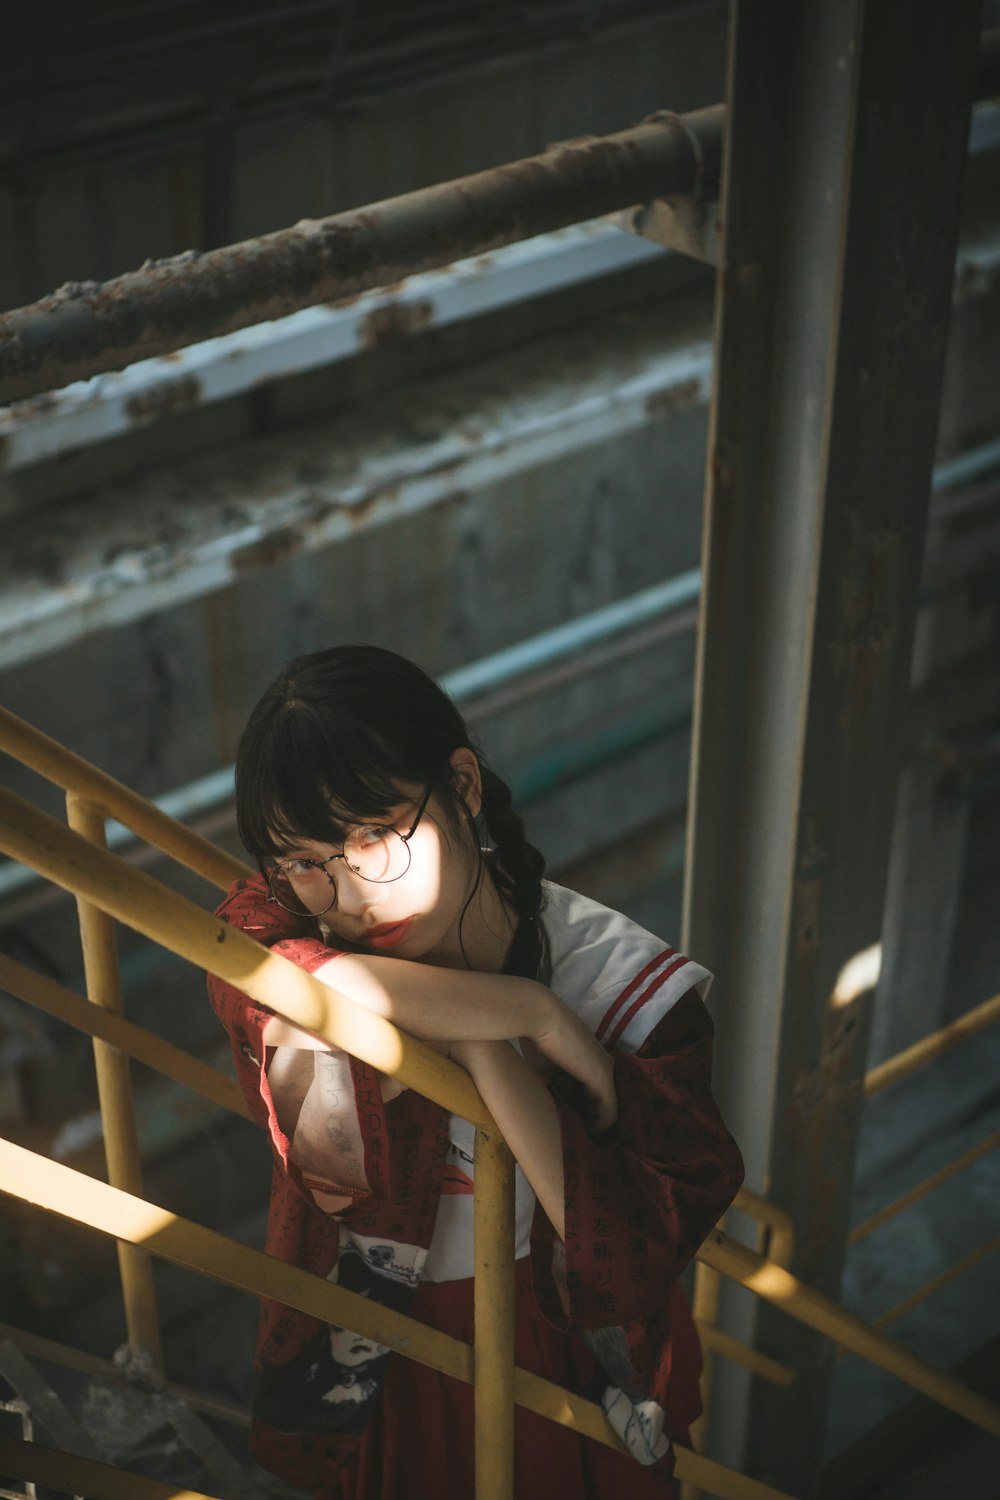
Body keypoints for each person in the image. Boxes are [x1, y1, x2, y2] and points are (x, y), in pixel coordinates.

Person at [206, 644, 743, 1499]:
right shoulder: (289, 928)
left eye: (374, 837)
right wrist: (511, 1020)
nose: (345, 898)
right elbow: (325, 1163)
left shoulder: (623, 988)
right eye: (305, 862)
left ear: (462, 785)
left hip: (557, 1346)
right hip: (385, 1344)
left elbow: (632, 1249)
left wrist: (484, 1050)